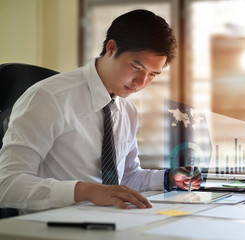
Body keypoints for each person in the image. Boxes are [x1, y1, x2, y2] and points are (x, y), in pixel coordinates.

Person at [0, 9, 202, 213]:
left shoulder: (127, 110)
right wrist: (85, 191)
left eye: (152, 75)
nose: (141, 82)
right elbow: (6, 184)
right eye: (136, 67)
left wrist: (169, 178)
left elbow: (126, 178)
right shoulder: (48, 98)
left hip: (111, 220)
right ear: (112, 48)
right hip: (55, 225)